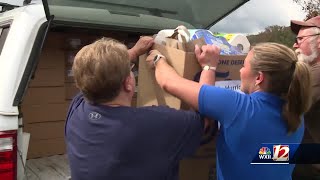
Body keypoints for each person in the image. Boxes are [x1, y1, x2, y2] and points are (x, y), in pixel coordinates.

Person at [146, 42, 312, 179]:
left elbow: (169, 82)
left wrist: (158, 58)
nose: (240, 70)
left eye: (243, 65)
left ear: (259, 78)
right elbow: (265, 156)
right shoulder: (296, 114)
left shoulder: (240, 107)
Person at [65, 36, 216, 180]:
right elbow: (207, 117)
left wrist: (135, 51)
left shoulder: (77, 109)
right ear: (128, 84)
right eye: (130, 69)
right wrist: (209, 67)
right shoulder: (156, 123)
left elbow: (95, 74)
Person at [290, 16, 320, 179]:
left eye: (301, 39)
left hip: (311, 161)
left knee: (261, 154)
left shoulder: (316, 73)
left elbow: (284, 110)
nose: (295, 44)